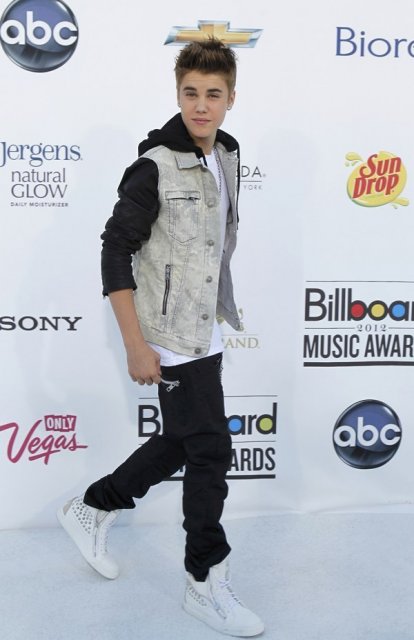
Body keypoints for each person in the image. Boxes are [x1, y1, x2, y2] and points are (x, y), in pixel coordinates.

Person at [57, 38, 264, 637]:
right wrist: (135, 344)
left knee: (182, 440)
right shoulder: (153, 165)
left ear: (230, 99)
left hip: (206, 327)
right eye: (190, 93)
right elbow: (114, 251)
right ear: (177, 94)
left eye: (213, 95)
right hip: (168, 334)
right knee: (211, 452)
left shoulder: (227, 152)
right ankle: (205, 580)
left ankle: (94, 505)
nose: (201, 105)